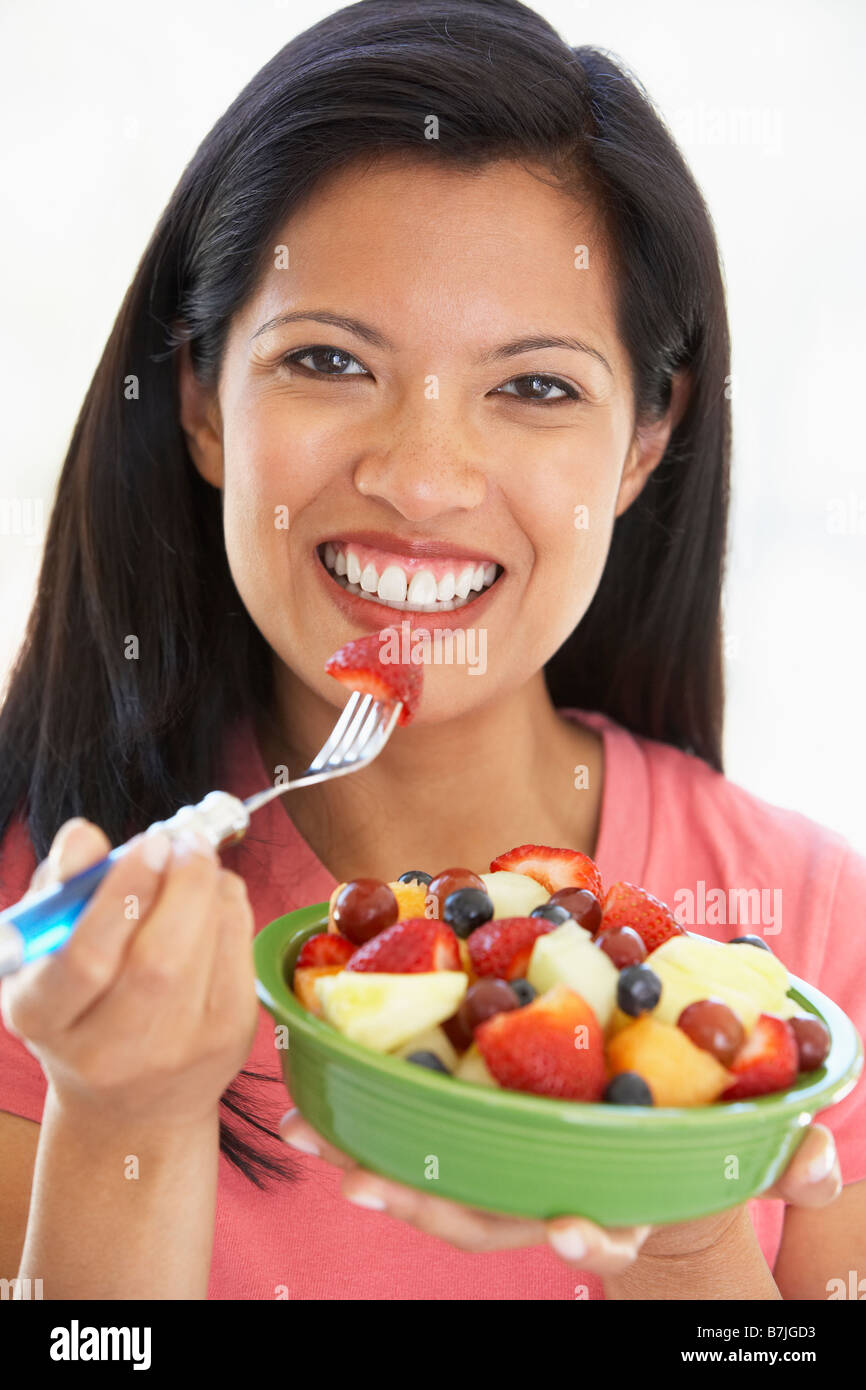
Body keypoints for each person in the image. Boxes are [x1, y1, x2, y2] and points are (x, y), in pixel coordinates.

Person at [0, 0, 862, 1301]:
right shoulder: (47, 937)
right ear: (199, 399)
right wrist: (121, 1122)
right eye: (329, 358)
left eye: (532, 386)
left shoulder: (810, 937)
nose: (420, 479)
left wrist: (682, 1229)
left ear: (641, 439)